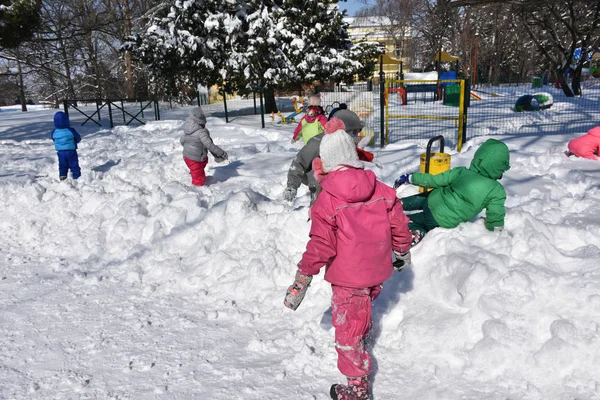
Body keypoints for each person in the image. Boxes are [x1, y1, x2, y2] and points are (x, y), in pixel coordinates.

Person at [283, 121, 413, 400]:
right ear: (353, 158)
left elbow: (321, 245)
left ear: (326, 163)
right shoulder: (381, 189)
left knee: (346, 332)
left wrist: (303, 276)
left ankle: (356, 388)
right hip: (378, 272)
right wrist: (402, 251)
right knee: (361, 310)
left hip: (348, 279)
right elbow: (400, 225)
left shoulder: (327, 200)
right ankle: (361, 334)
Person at [394, 138, 510, 236]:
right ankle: (414, 228)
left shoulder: (461, 172)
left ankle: (396, 204)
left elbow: (434, 180)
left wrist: (411, 178)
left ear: (478, 157)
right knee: (413, 221)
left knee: (426, 196)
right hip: (442, 220)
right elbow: (495, 215)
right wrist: (497, 233)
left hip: (431, 201)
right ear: (501, 167)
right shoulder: (496, 191)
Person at [283, 111, 378, 205]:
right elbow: (299, 162)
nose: (356, 136)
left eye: (358, 132)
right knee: (321, 202)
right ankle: (317, 211)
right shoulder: (319, 143)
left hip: (341, 183)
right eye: (354, 132)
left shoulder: (347, 142)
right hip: (319, 181)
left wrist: (369, 157)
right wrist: (292, 186)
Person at [180, 106, 228, 186]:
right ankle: (196, 192)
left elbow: (182, 140)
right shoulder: (201, 132)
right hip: (195, 160)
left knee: (203, 162)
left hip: (187, 157)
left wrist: (189, 148)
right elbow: (209, 145)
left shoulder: (188, 129)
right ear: (201, 123)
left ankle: (194, 173)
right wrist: (221, 153)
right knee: (199, 181)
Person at [51, 111, 81, 181]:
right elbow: (78, 138)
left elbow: (53, 139)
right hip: (71, 151)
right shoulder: (70, 130)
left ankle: (62, 176)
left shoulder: (54, 132)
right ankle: (77, 177)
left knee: (62, 164)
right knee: (73, 164)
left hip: (60, 152)